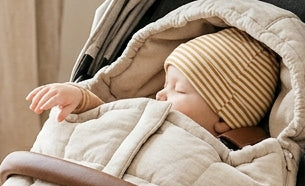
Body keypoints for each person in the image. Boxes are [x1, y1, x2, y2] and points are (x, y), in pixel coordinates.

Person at [26, 27, 279, 147]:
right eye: (166, 84)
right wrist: (80, 99)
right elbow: (114, 119)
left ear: (223, 119)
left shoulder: (232, 159)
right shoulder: (149, 114)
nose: (160, 94)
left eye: (179, 90)